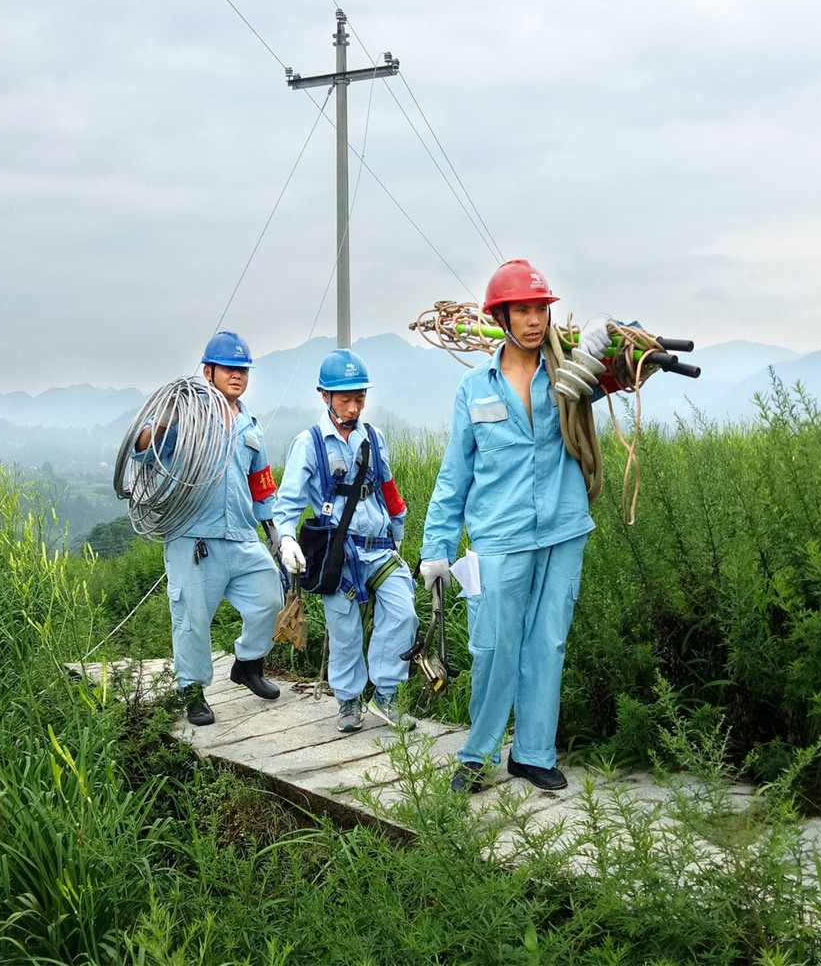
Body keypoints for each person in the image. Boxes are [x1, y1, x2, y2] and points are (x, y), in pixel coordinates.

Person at [419, 260, 612, 793]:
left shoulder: (570, 372)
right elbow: (455, 471)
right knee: (495, 645)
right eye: (522, 310)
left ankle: (530, 754)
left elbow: (621, 366)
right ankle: (476, 755)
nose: (533, 320)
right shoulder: (474, 387)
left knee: (547, 642)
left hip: (563, 527)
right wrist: (436, 546)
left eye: (540, 309)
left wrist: (613, 336)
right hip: (499, 536)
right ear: (501, 316)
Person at [134, 331, 284, 726]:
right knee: (192, 619)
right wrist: (162, 423)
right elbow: (141, 449)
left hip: (241, 535)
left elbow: (261, 482)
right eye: (229, 369)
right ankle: (193, 691)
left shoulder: (250, 423)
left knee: (270, 595)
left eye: (243, 370)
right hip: (193, 536)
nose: (237, 376)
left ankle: (248, 664)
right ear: (208, 371)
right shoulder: (187, 417)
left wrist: (274, 532)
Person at [274, 349, 419, 734]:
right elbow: (286, 501)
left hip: (380, 546)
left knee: (403, 611)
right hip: (340, 553)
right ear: (325, 396)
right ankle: (348, 702)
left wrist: (399, 530)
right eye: (345, 399)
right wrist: (287, 538)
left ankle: (386, 694)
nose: (354, 407)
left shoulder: (374, 437)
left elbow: (387, 487)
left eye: (360, 398)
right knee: (345, 631)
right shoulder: (309, 444)